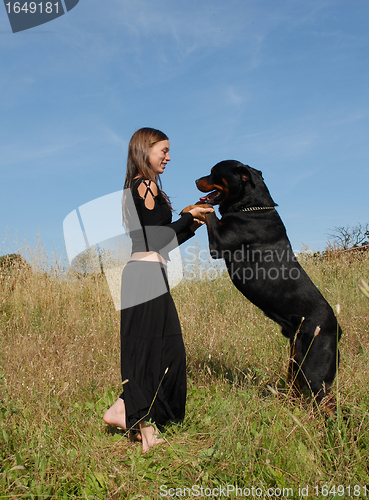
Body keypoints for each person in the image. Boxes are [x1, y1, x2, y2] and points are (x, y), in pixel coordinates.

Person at [103, 127, 213, 452]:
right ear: (144, 150)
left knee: (161, 352)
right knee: (156, 354)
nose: (168, 157)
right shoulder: (145, 184)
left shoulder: (137, 187)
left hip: (148, 273)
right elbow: (156, 239)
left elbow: (162, 238)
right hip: (145, 275)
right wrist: (188, 216)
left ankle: (128, 413)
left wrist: (192, 220)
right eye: (163, 150)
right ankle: (135, 419)